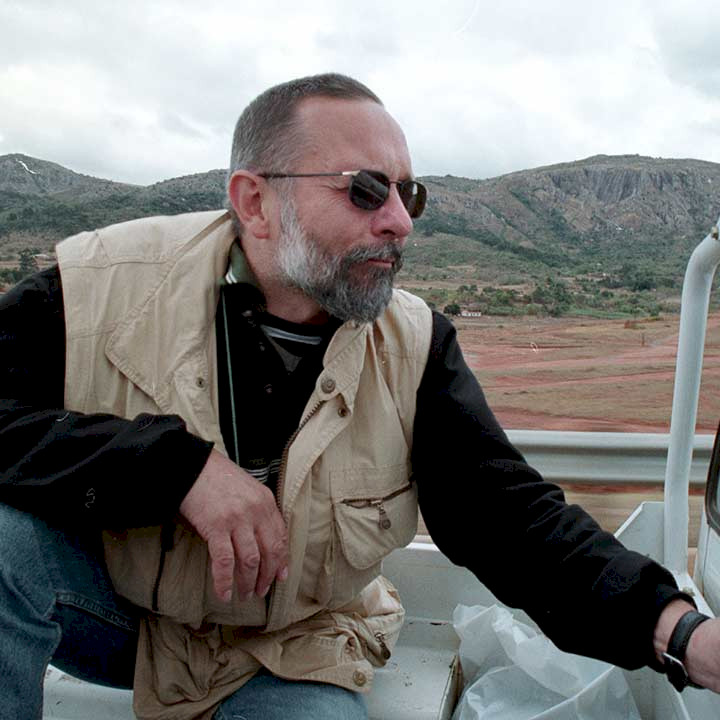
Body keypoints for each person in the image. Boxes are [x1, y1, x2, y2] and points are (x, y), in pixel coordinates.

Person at [1, 73, 719, 720]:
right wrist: (172, 467)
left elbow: (506, 515)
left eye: (409, 194)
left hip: (291, 648)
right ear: (255, 202)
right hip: (122, 619)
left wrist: (681, 632)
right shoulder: (97, 290)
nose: (400, 221)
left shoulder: (415, 345)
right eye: (366, 190)